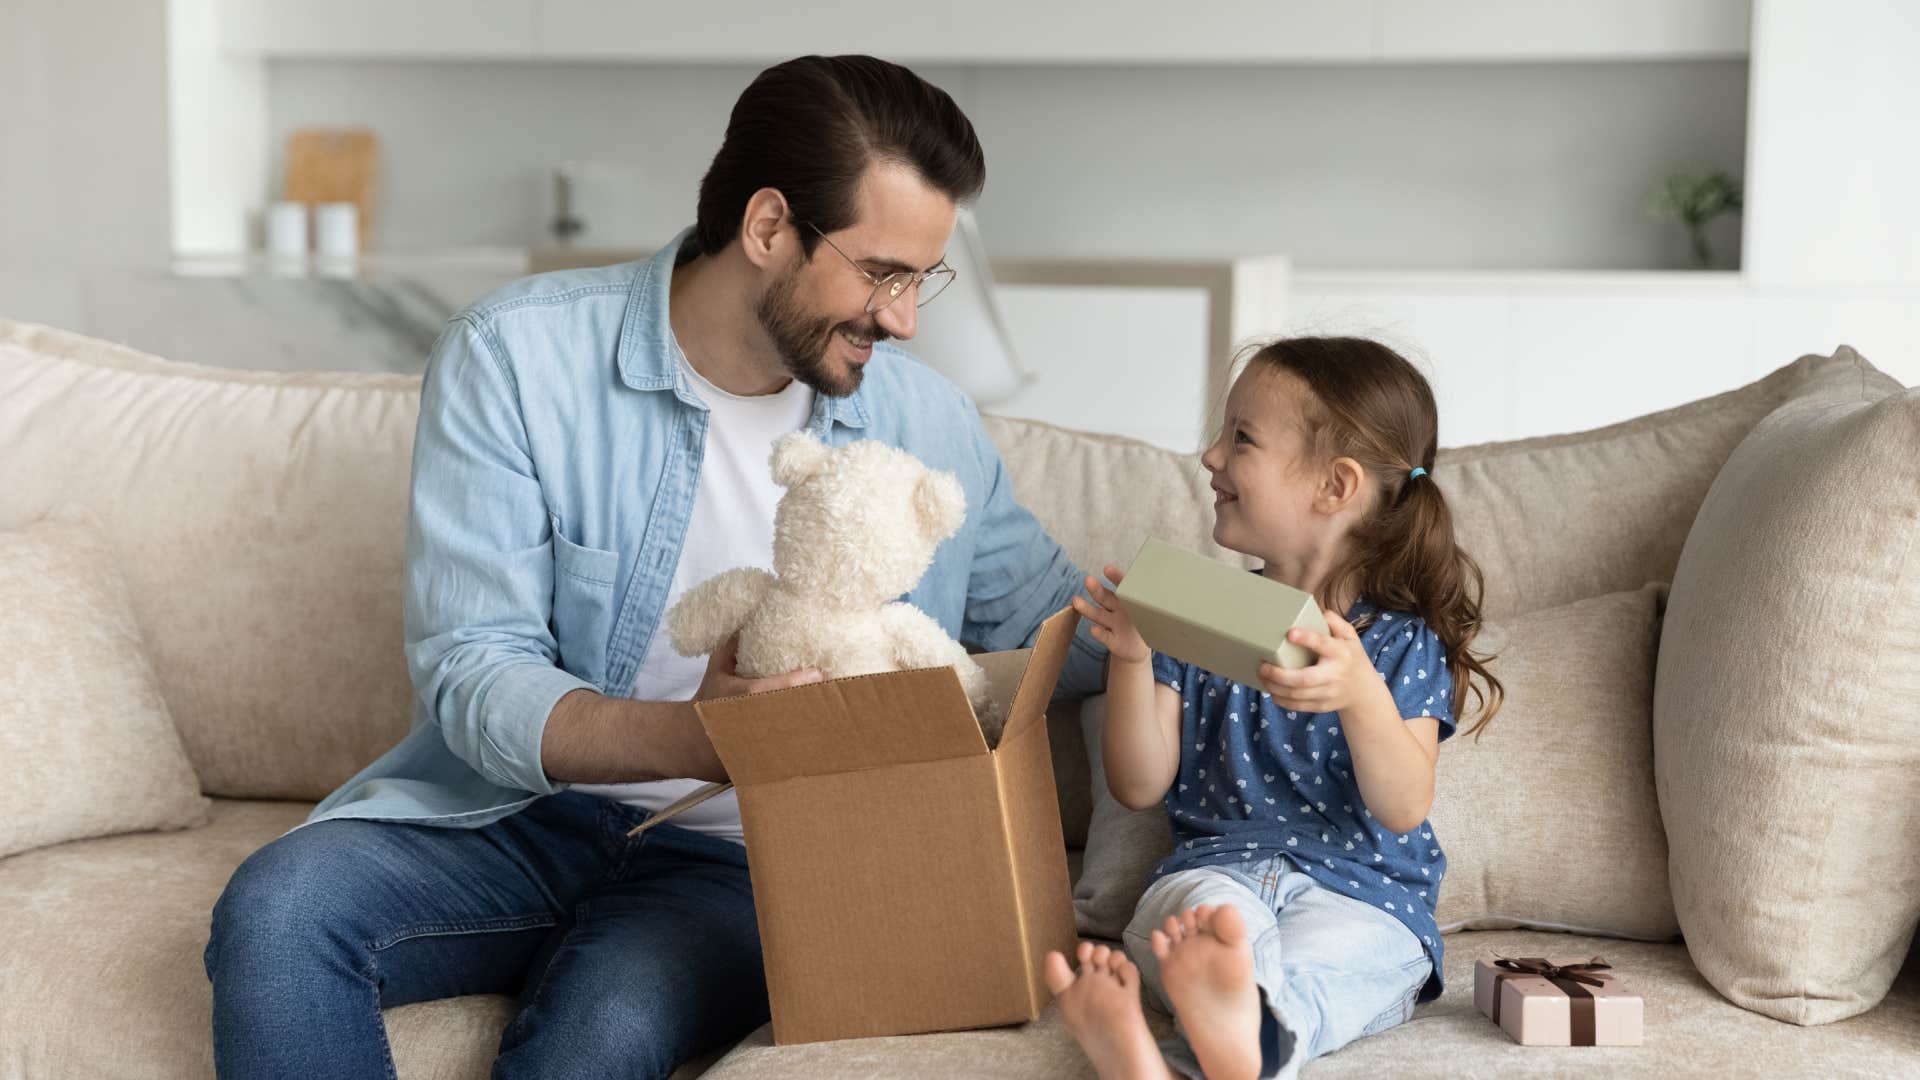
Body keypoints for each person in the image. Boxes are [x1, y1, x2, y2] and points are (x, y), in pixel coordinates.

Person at [204, 54, 1104, 1080]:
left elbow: (1052, 628)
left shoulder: (926, 422)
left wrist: (1239, 624)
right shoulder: (516, 360)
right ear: (769, 228)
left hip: (747, 860)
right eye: (880, 272)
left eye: (920, 279)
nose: (903, 318)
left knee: (599, 1037)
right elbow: (475, 674)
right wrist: (701, 735)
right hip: (514, 818)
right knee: (281, 909)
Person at [1045, 336, 1503, 1080]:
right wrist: (1131, 657)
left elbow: (1402, 805)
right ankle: (1236, 1027)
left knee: (1337, 964)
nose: (1210, 457)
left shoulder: (1397, 645)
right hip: (1216, 875)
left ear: (1334, 486)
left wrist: (1359, 696)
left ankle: (1190, 1049)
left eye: (1242, 438)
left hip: (1364, 897)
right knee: (1203, 931)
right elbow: (1138, 784)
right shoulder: (1197, 616)